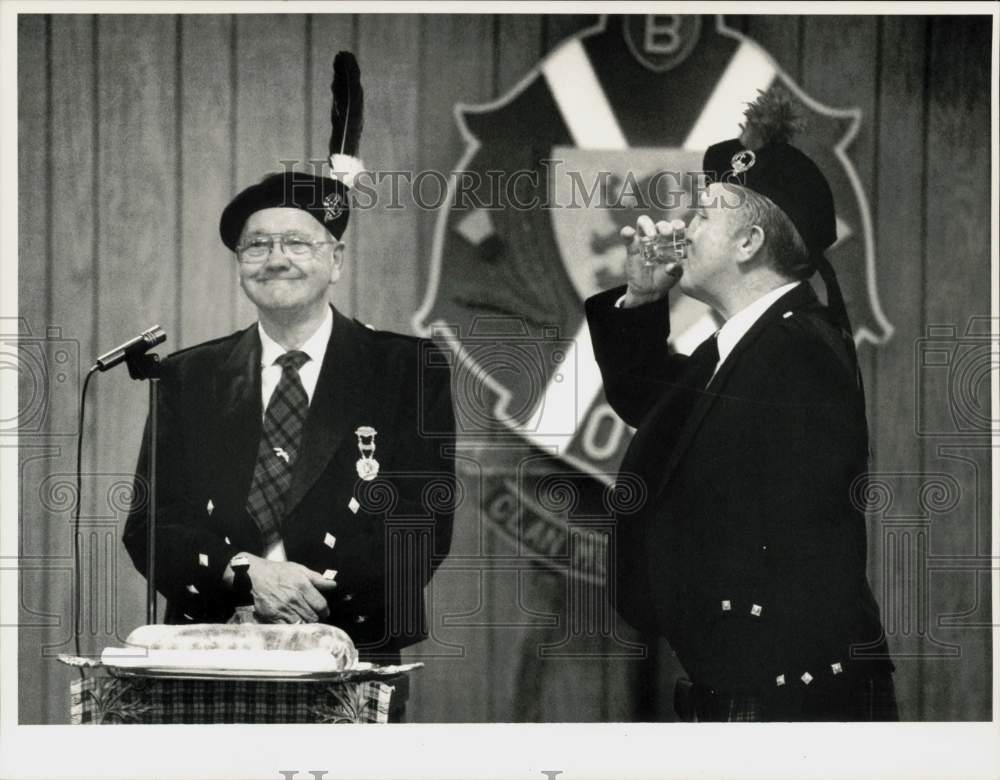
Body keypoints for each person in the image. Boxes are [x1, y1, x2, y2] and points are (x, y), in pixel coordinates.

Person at [123, 54, 455, 715]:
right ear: (240, 267)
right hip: (207, 652)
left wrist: (306, 599)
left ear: (335, 261)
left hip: (348, 655)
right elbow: (151, 526)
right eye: (257, 245)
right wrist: (247, 574)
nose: (276, 258)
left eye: (299, 244)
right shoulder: (189, 377)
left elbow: (423, 525)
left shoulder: (406, 369)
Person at [586, 90, 896, 721]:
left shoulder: (796, 350)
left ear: (750, 241)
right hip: (750, 683)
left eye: (705, 213)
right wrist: (643, 300)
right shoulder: (749, 342)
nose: (683, 226)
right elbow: (652, 402)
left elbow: (792, 538)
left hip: (789, 696)